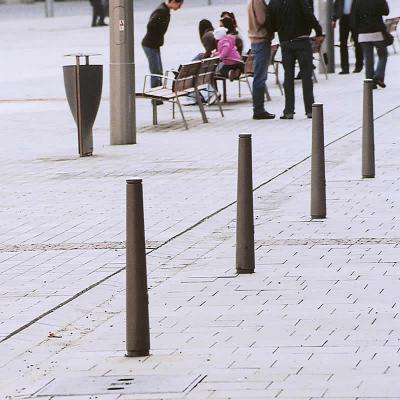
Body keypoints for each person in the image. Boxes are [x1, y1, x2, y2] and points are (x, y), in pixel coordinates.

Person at [269, 0, 323, 119]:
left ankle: (288, 111)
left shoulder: (274, 2)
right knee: (306, 76)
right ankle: (310, 109)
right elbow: (309, 14)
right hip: (302, 41)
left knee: (288, 77)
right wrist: (318, 31)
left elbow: (270, 23)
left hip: (286, 43)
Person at [142, 0, 184, 89]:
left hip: (154, 44)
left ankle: (158, 96)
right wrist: (157, 36)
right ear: (173, 1)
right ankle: (155, 97)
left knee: (158, 71)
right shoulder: (162, 11)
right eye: (179, 5)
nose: (179, 7)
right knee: (155, 71)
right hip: (150, 44)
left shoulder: (164, 10)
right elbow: (151, 25)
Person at [247, 0, 275, 120]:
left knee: (260, 76)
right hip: (260, 40)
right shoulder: (258, 1)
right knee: (260, 76)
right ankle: (258, 109)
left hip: (257, 41)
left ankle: (259, 108)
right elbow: (262, 19)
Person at [352, 0, 389, 88]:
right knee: (383, 55)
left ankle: (369, 82)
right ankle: (378, 76)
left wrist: (357, 31)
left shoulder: (358, 2)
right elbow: (386, 12)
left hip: (363, 33)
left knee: (368, 59)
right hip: (377, 32)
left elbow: (354, 18)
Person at [332, 0, 363, 74]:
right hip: (343, 20)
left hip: (355, 20)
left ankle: (359, 66)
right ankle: (345, 68)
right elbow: (336, 6)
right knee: (343, 44)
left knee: (357, 43)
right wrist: (334, 19)